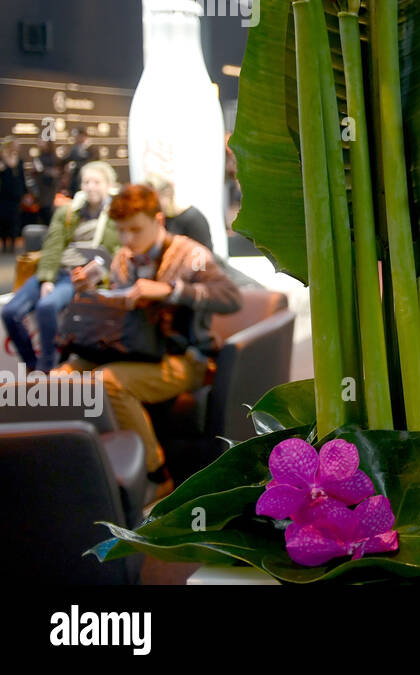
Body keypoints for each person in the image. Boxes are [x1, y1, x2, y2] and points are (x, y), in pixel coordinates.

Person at [56, 184, 242, 499]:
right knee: (62, 378)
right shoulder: (123, 259)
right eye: (121, 231)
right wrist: (92, 290)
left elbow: (230, 297)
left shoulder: (190, 254)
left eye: (135, 230)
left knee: (109, 381)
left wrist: (171, 291)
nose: (128, 240)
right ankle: (83, 466)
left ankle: (156, 476)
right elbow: (119, 311)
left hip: (186, 359)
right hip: (133, 351)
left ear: (158, 220)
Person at [2, 161, 120, 372]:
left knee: (46, 307)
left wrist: (98, 276)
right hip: (58, 270)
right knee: (10, 311)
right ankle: (32, 364)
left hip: (81, 276)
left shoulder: (115, 216)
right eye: (86, 182)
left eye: (96, 182)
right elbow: (53, 247)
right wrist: (47, 278)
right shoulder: (68, 212)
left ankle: (48, 367)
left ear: (108, 184)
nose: (91, 187)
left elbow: (115, 252)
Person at [143, 175, 214, 252]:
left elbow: (205, 254)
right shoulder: (157, 218)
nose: (151, 205)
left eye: (154, 199)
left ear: (168, 194)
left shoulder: (192, 218)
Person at [0, 141, 27, 253]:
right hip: (3, 196)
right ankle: (5, 243)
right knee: (3, 220)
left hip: (15, 196)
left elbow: (22, 178)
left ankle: (12, 243)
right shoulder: (2, 160)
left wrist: (25, 193)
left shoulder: (19, 160)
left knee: (14, 220)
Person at [32, 141, 62, 226]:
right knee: (42, 211)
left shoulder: (53, 157)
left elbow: (57, 172)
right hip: (41, 188)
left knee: (48, 210)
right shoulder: (39, 157)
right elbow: (36, 172)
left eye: (42, 142)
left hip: (50, 188)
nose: (39, 144)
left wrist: (46, 171)